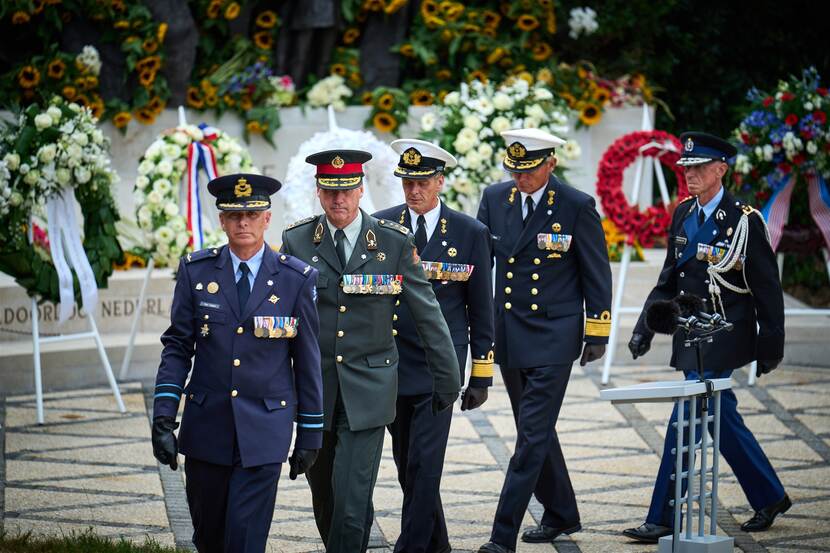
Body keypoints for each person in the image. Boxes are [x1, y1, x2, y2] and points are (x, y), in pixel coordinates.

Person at [280, 149, 461, 553]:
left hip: (370, 391)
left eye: (346, 191)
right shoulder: (296, 241)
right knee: (326, 498)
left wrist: (449, 380)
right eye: (329, 191)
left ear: (361, 190)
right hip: (317, 391)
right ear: (319, 192)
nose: (338, 200)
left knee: (351, 497)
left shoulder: (393, 243)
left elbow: (427, 311)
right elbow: (284, 317)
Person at [623, 132, 790, 543]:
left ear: (721, 169)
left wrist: (770, 346)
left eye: (698, 168)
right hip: (690, 334)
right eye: (686, 168)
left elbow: (767, 288)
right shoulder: (682, 213)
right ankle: (769, 495)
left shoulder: (744, 220)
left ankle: (662, 516)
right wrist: (644, 327)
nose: (690, 175)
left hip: (724, 331)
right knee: (722, 417)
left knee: (686, 418)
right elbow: (668, 280)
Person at [151, 173, 323, 553]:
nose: (243, 223)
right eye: (233, 215)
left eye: (252, 214)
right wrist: (163, 415)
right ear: (222, 221)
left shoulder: (295, 279)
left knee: (244, 542)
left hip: (264, 432)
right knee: (209, 538)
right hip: (207, 429)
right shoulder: (196, 272)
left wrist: (310, 434)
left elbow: (308, 361)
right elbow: (178, 347)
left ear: (267, 218)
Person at [476, 129, 612, 553]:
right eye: (515, 170)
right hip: (511, 332)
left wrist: (597, 330)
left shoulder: (575, 205)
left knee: (531, 437)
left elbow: (596, 271)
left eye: (529, 170)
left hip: (555, 334)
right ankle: (562, 512)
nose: (521, 178)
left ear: (550, 165)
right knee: (536, 430)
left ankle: (502, 536)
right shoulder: (495, 199)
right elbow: (481, 264)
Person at [374, 139, 495, 553]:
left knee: (426, 466)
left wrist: (481, 374)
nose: (414, 191)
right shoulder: (381, 227)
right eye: (407, 182)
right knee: (409, 467)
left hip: (437, 368)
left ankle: (409, 547)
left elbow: (481, 309)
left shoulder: (469, 232)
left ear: (440, 181)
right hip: (390, 364)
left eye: (423, 182)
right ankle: (437, 546)